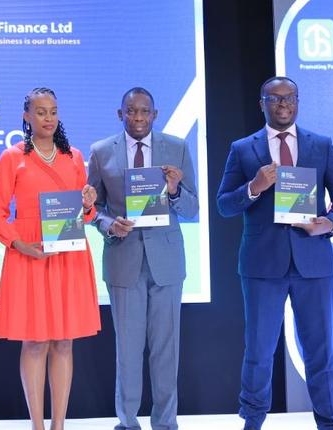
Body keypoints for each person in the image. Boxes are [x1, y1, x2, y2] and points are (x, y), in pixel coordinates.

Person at [216, 76, 333, 430]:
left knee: (319, 350)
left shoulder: (320, 145)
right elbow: (224, 205)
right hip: (262, 266)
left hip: (314, 262)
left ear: (297, 102)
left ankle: (330, 423)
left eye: (289, 98)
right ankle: (253, 421)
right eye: (274, 98)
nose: (282, 104)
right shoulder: (243, 149)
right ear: (261, 103)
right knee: (260, 352)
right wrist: (255, 186)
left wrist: (327, 223)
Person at [0, 87, 101, 430]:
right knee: (35, 341)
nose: (48, 118)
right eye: (40, 112)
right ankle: (36, 424)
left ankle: (58, 425)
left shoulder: (74, 157)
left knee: (63, 341)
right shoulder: (12, 157)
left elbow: (87, 215)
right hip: (29, 256)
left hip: (68, 258)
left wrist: (87, 204)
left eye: (52, 111)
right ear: (26, 117)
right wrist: (19, 244)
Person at [88, 87, 199, 430]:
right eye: (131, 112)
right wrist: (109, 225)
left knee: (167, 350)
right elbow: (92, 208)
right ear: (120, 114)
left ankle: (166, 423)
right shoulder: (101, 151)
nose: (138, 118)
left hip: (166, 262)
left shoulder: (176, 148)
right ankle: (127, 422)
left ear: (155, 114)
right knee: (128, 350)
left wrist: (177, 190)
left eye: (144, 112)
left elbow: (193, 209)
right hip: (124, 260)